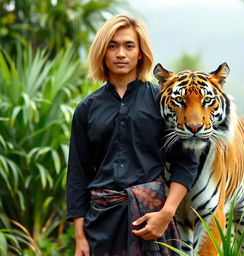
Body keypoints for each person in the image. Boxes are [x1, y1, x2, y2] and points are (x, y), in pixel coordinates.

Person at [66, 14, 198, 256]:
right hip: (100, 225)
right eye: (112, 46)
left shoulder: (162, 102)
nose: (120, 53)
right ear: (102, 52)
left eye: (129, 46)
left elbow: (186, 162)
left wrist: (166, 214)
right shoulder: (87, 109)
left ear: (140, 53)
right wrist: (80, 237)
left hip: (151, 223)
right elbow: (78, 173)